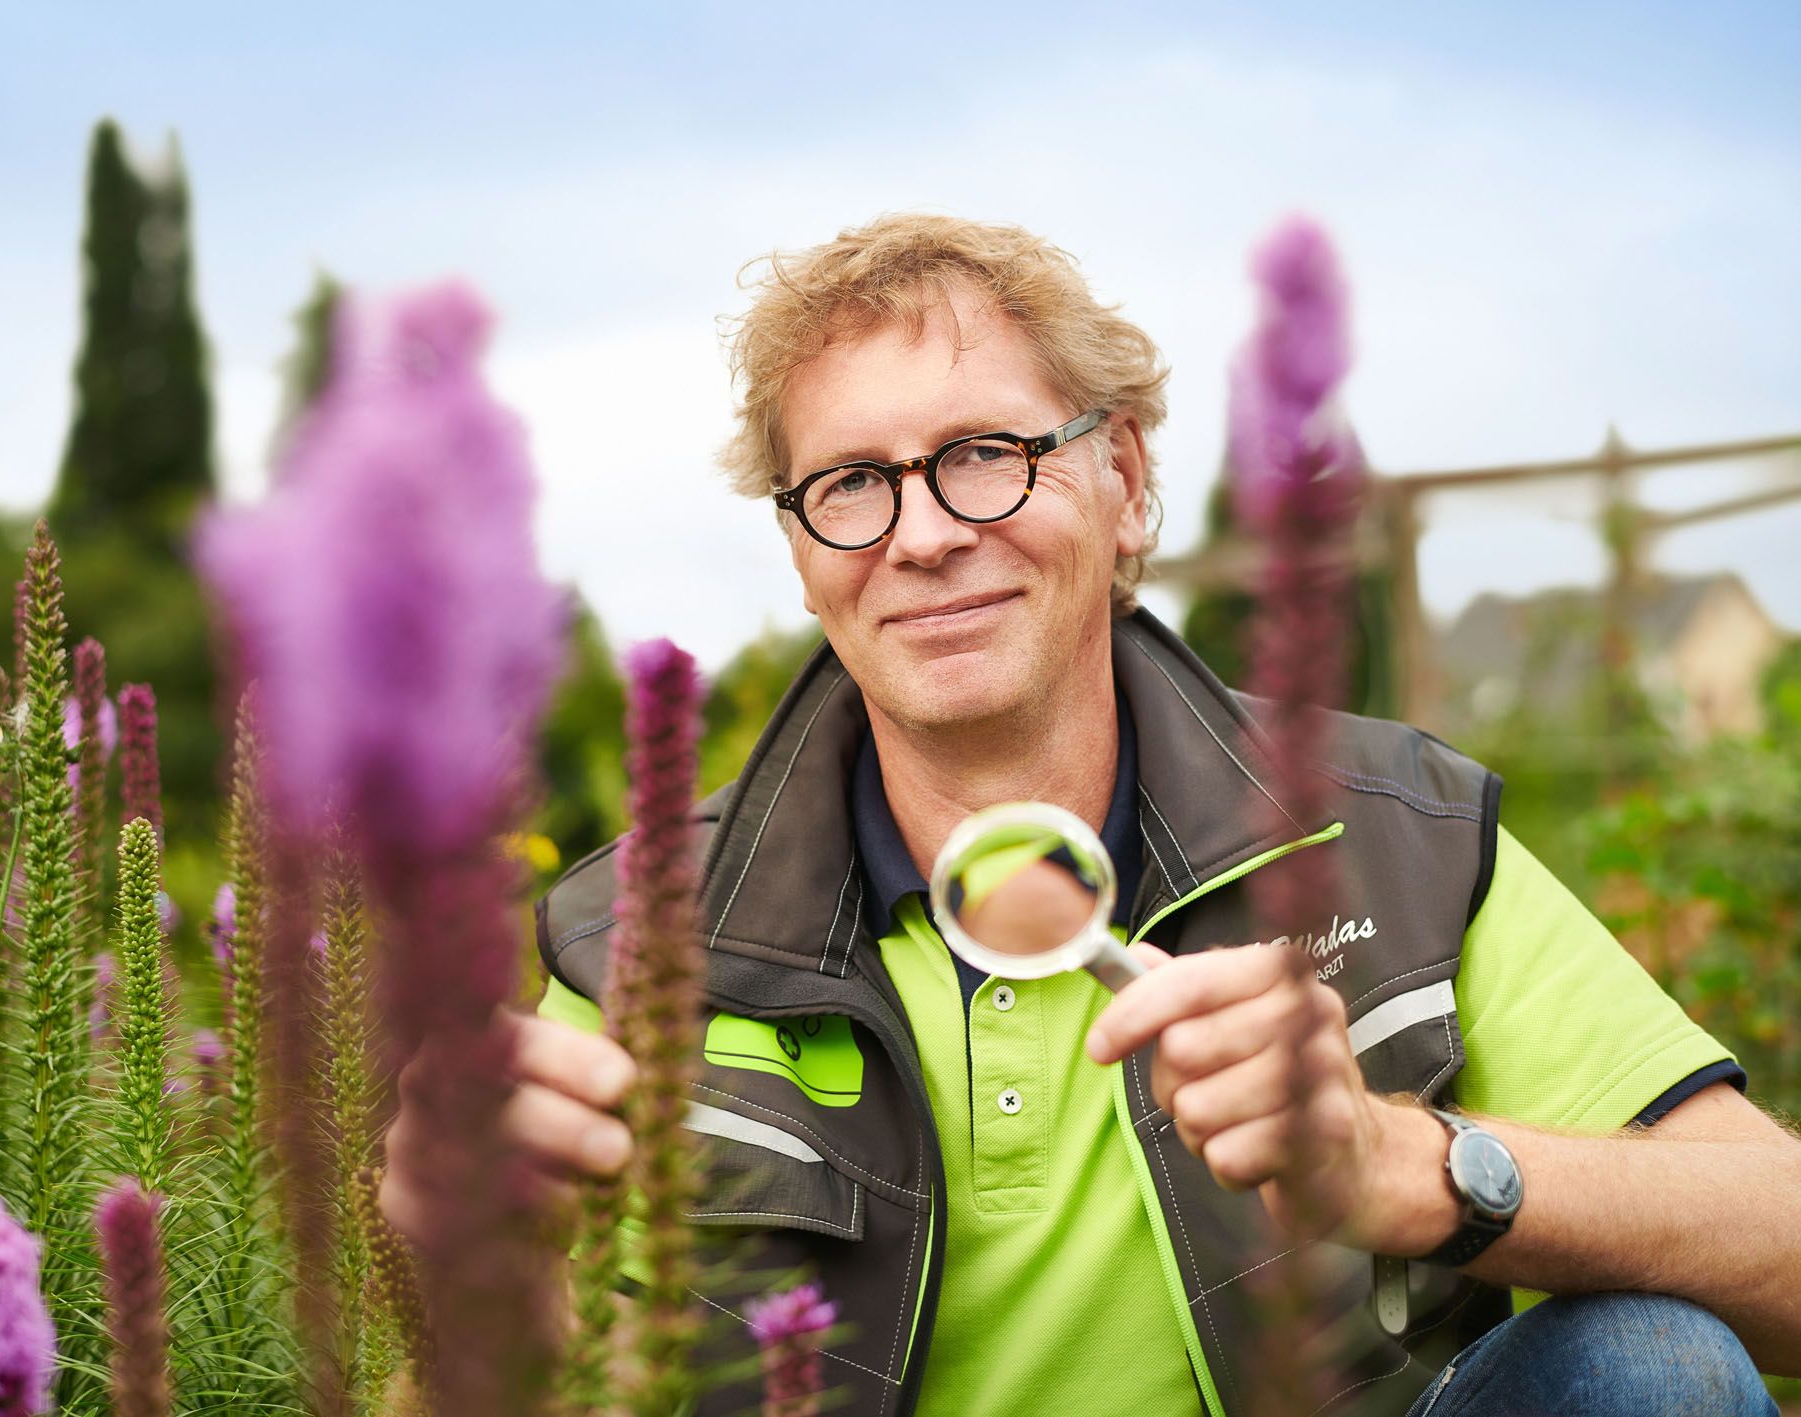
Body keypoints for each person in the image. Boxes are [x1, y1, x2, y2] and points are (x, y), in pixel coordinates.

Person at [382, 215, 1801, 1415]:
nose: (924, 532)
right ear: (804, 550)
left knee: (1645, 1365)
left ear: (1123, 482)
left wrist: (1411, 1166)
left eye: (987, 452)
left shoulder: (1391, 833)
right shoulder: (645, 936)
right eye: (851, 484)